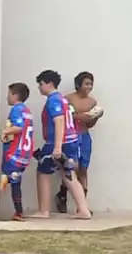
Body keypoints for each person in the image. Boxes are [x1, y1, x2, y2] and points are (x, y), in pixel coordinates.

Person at [32, 70, 92, 220]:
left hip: (59, 142)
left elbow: (59, 121)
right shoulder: (63, 99)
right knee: (69, 174)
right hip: (71, 141)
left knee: (43, 172)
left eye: (41, 84)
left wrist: (57, 147)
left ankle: (43, 210)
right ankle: (83, 210)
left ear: (49, 84)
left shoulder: (53, 100)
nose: (39, 88)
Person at [55, 71, 101, 212]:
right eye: (86, 83)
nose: (89, 87)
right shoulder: (68, 98)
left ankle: (82, 206)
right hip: (70, 136)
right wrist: (82, 116)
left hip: (84, 136)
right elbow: (66, 117)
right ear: (78, 84)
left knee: (83, 168)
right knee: (71, 167)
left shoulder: (92, 102)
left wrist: (95, 117)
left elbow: (89, 124)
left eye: (91, 84)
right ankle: (62, 195)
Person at [0, 83, 36, 221]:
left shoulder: (16, 109)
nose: (7, 97)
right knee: (15, 180)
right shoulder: (27, 111)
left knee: (6, 178)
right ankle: (18, 212)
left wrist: (4, 131)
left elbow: (18, 128)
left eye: (8, 94)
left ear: (15, 95)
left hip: (14, 153)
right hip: (24, 154)